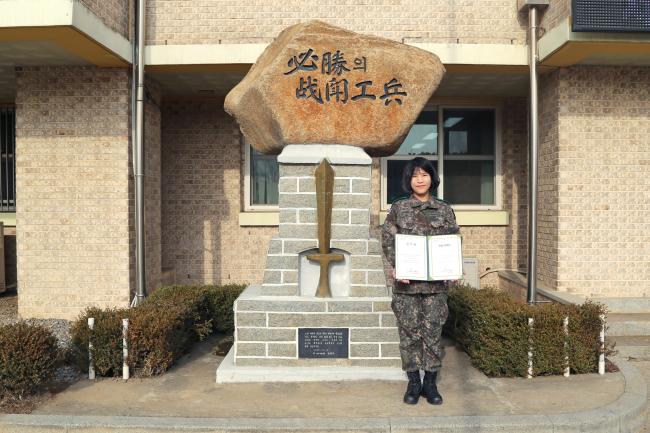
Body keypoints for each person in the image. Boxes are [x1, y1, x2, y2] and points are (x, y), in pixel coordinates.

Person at [381, 157, 460, 405]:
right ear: (409, 180)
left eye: (425, 174)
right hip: (407, 286)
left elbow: (453, 240)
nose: (420, 179)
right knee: (409, 336)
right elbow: (387, 239)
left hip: (436, 287)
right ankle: (414, 383)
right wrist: (397, 266)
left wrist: (453, 268)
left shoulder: (444, 209)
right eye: (415, 175)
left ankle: (430, 384)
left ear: (432, 178)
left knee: (433, 334)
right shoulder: (399, 208)